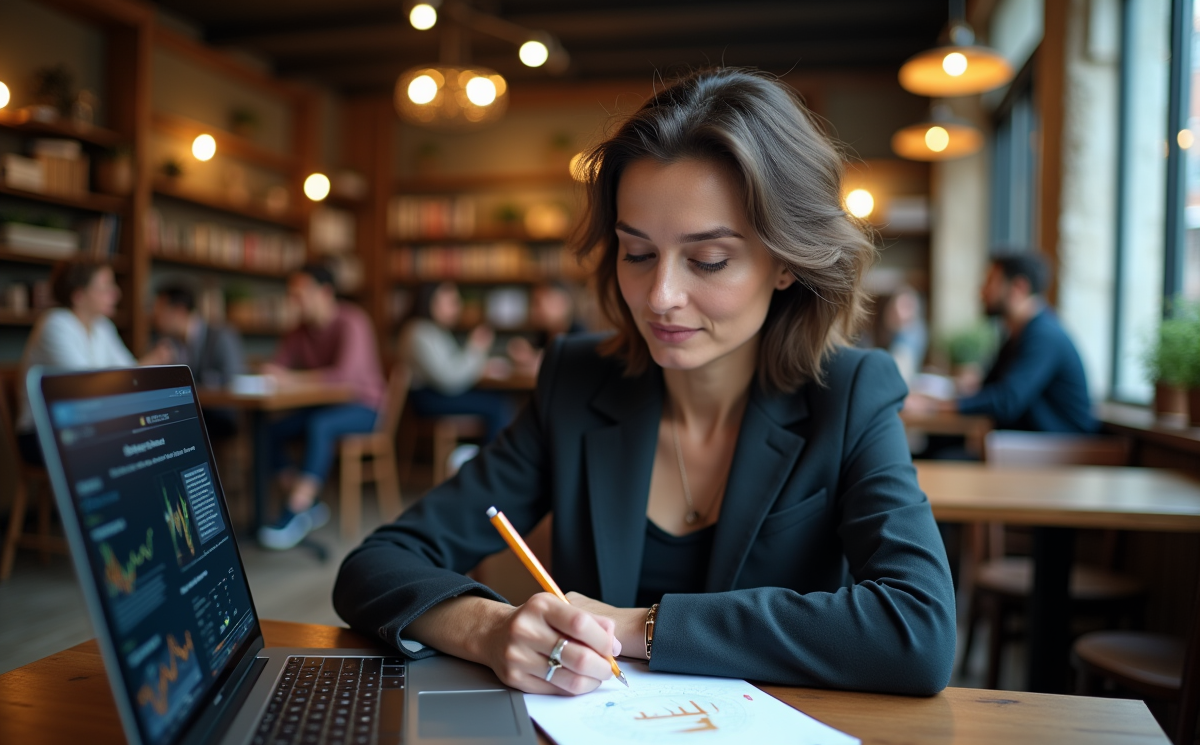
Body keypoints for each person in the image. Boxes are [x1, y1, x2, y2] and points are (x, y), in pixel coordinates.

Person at [334, 68, 956, 698]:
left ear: (787, 262)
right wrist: (489, 629)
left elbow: (918, 632)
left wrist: (640, 627)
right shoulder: (575, 384)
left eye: (708, 260)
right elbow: (374, 566)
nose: (660, 297)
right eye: (637, 253)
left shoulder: (848, 394)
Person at [258, 263, 385, 550]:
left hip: (366, 408)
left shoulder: (353, 321)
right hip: (326, 407)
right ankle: (306, 503)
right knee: (268, 430)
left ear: (325, 292)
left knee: (321, 425)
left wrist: (289, 379)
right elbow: (279, 366)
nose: (294, 300)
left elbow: (345, 377)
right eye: (291, 294)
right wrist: (272, 372)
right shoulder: (299, 330)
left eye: (300, 293)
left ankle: (295, 509)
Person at [906, 252, 1098, 433]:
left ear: (1018, 288)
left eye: (990, 282)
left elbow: (1007, 400)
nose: (981, 291)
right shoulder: (1018, 334)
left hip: (1063, 454)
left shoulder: (1044, 335)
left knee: (942, 456)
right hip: (1028, 448)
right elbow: (990, 387)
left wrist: (934, 407)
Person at [15, 262, 171, 465]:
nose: (116, 294)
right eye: (106, 287)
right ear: (78, 295)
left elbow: (130, 377)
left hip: (87, 426)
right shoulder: (55, 324)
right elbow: (89, 385)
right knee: (134, 445)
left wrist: (147, 364)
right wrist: (152, 361)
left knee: (156, 436)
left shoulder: (102, 326)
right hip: (43, 432)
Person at [399, 281, 512, 443]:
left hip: (436, 394)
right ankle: (494, 463)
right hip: (429, 398)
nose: (457, 307)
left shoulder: (432, 330)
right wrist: (476, 347)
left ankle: (491, 460)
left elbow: (453, 367)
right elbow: (449, 380)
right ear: (430, 301)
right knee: (497, 405)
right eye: (451, 302)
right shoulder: (419, 332)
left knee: (499, 401)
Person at [151, 283, 245, 437]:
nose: (155, 316)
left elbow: (233, 380)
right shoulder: (167, 344)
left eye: (160, 310)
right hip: (187, 412)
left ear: (180, 311)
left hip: (217, 414)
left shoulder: (222, 336)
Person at [507, 280, 587, 375]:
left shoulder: (580, 336)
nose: (533, 310)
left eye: (539, 303)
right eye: (533, 303)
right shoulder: (543, 336)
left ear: (561, 303)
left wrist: (535, 359)